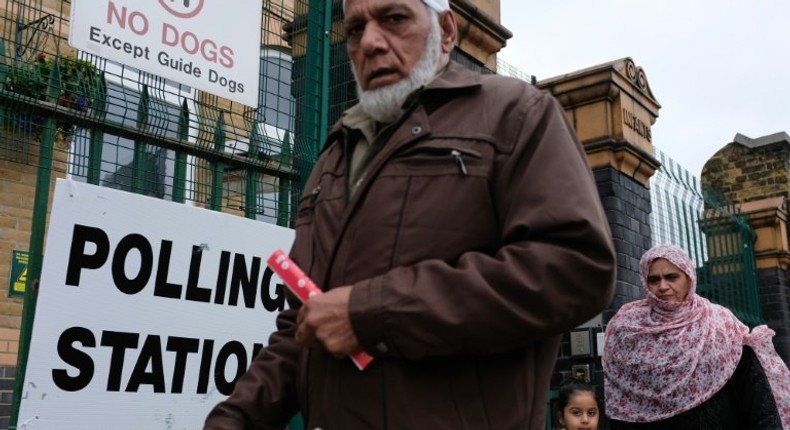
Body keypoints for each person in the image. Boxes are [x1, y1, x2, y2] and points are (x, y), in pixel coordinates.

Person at [204, 0, 616, 428]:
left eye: (394, 19)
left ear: (447, 31)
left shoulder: (516, 115)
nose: (371, 43)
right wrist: (233, 420)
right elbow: (304, 326)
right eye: (355, 30)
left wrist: (373, 314)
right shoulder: (335, 154)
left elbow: (575, 266)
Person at [603, 243, 790, 429]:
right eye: (653, 280)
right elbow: (622, 405)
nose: (662, 286)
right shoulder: (627, 329)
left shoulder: (721, 325)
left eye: (671, 277)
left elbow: (757, 401)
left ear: (689, 277)